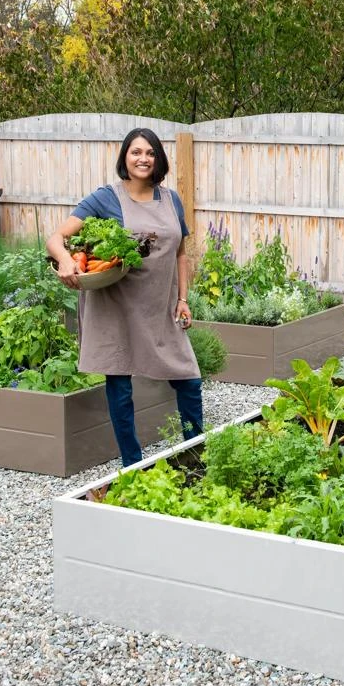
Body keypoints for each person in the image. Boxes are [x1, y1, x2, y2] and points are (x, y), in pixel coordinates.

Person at [46, 127, 202, 467]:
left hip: (159, 305)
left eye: (150, 153)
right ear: (125, 157)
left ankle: (196, 452)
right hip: (116, 305)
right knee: (120, 384)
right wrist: (66, 260)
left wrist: (182, 298)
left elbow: (180, 254)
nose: (143, 158)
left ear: (158, 159)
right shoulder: (106, 198)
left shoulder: (171, 199)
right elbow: (57, 237)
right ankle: (133, 464)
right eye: (136, 152)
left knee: (189, 378)